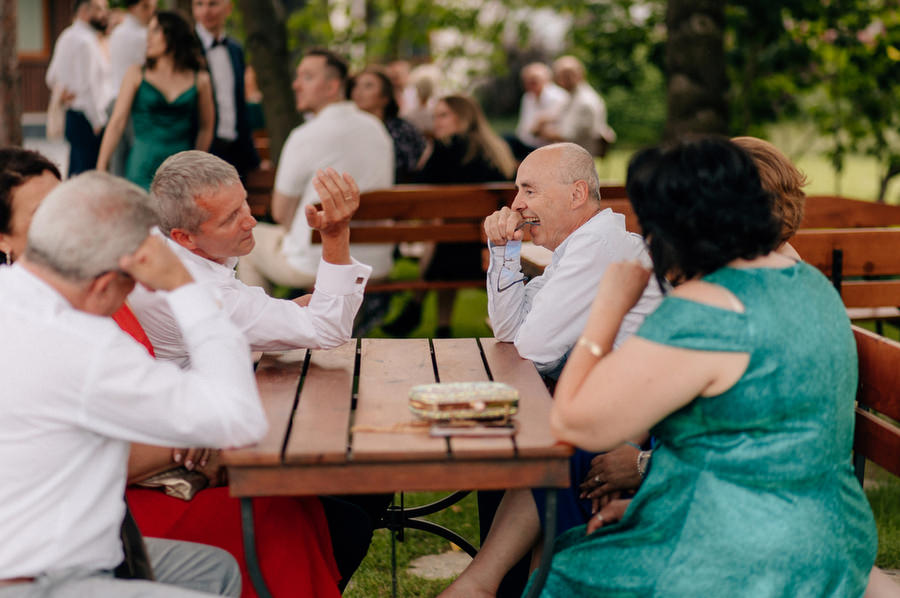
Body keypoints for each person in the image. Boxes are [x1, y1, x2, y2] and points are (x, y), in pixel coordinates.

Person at [534, 136, 876, 596]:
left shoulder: (705, 308)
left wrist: (607, 309)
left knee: (561, 575)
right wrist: (655, 507)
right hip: (832, 538)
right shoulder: (809, 284)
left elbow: (574, 422)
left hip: (743, 558)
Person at [0, 169, 268, 596]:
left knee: (212, 572)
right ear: (108, 282)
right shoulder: (84, 344)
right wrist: (185, 289)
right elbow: (238, 420)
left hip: (41, 546)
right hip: (38, 578)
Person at [127, 151, 379, 590]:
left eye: (244, 203)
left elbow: (275, 318)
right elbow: (328, 328)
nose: (250, 220)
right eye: (231, 218)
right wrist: (336, 234)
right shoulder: (200, 288)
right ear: (185, 237)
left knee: (354, 492)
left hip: (193, 432)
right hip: (180, 458)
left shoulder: (162, 245)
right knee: (353, 505)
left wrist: (288, 317)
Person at [439, 142, 660, 598]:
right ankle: (494, 583)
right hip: (607, 412)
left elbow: (532, 349)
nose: (517, 203)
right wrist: (504, 250)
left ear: (577, 194)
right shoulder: (579, 246)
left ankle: (487, 583)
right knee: (535, 435)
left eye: (529, 190)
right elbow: (510, 331)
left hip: (635, 425)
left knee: (539, 443)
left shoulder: (597, 247)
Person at [237, 48, 394, 293]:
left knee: (247, 244)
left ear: (333, 86)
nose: (296, 84)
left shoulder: (305, 135)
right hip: (375, 261)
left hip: (316, 263)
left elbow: (281, 213)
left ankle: (262, 318)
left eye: (307, 77)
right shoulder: (377, 129)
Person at [383, 94, 516, 338]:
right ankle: (436, 322)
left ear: (463, 117)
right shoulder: (497, 149)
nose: (437, 122)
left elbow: (419, 188)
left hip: (453, 252)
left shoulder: (445, 148)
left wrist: (428, 155)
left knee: (442, 236)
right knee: (445, 232)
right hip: (491, 247)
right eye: (435, 117)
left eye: (443, 115)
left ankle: (418, 311)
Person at [97, 10, 214, 190]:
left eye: (155, 30)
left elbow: (206, 127)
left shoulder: (201, 80)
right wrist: (101, 166)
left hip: (182, 171)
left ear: (173, 35)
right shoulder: (136, 74)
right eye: (148, 30)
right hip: (142, 167)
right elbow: (117, 122)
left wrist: (196, 163)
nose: (148, 38)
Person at [45, 0, 114, 175]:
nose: (104, 14)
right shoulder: (86, 42)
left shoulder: (66, 36)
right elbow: (90, 87)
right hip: (89, 119)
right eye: (99, 9)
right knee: (88, 176)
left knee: (76, 173)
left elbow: (51, 77)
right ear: (84, 11)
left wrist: (62, 92)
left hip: (75, 117)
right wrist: (97, 121)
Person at [193, 0, 261, 179]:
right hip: (200, 152)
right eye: (199, 4)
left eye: (213, 4)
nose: (206, 11)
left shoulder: (235, 49)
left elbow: (239, 103)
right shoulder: (187, 49)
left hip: (235, 152)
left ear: (228, 8)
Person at [105, 0, 158, 176]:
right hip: (133, 103)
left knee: (119, 161)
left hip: (115, 99)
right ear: (132, 7)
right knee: (136, 160)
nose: (150, 12)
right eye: (146, 7)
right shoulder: (142, 36)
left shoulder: (117, 32)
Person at [349, 67, 425, 183]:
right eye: (355, 86)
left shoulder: (401, 130)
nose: (358, 92)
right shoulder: (350, 129)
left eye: (368, 86)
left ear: (385, 97)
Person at [536, 55, 616, 157]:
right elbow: (559, 117)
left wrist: (543, 132)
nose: (564, 79)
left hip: (579, 156)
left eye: (568, 75)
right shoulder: (572, 95)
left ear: (581, 74)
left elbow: (570, 136)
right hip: (571, 151)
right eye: (561, 76)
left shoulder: (585, 102)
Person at [505, 62, 569, 161]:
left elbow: (556, 131)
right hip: (528, 143)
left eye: (534, 81)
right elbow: (523, 128)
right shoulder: (528, 97)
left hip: (547, 147)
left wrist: (536, 128)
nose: (530, 85)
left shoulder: (559, 97)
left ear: (546, 80)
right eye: (527, 82)